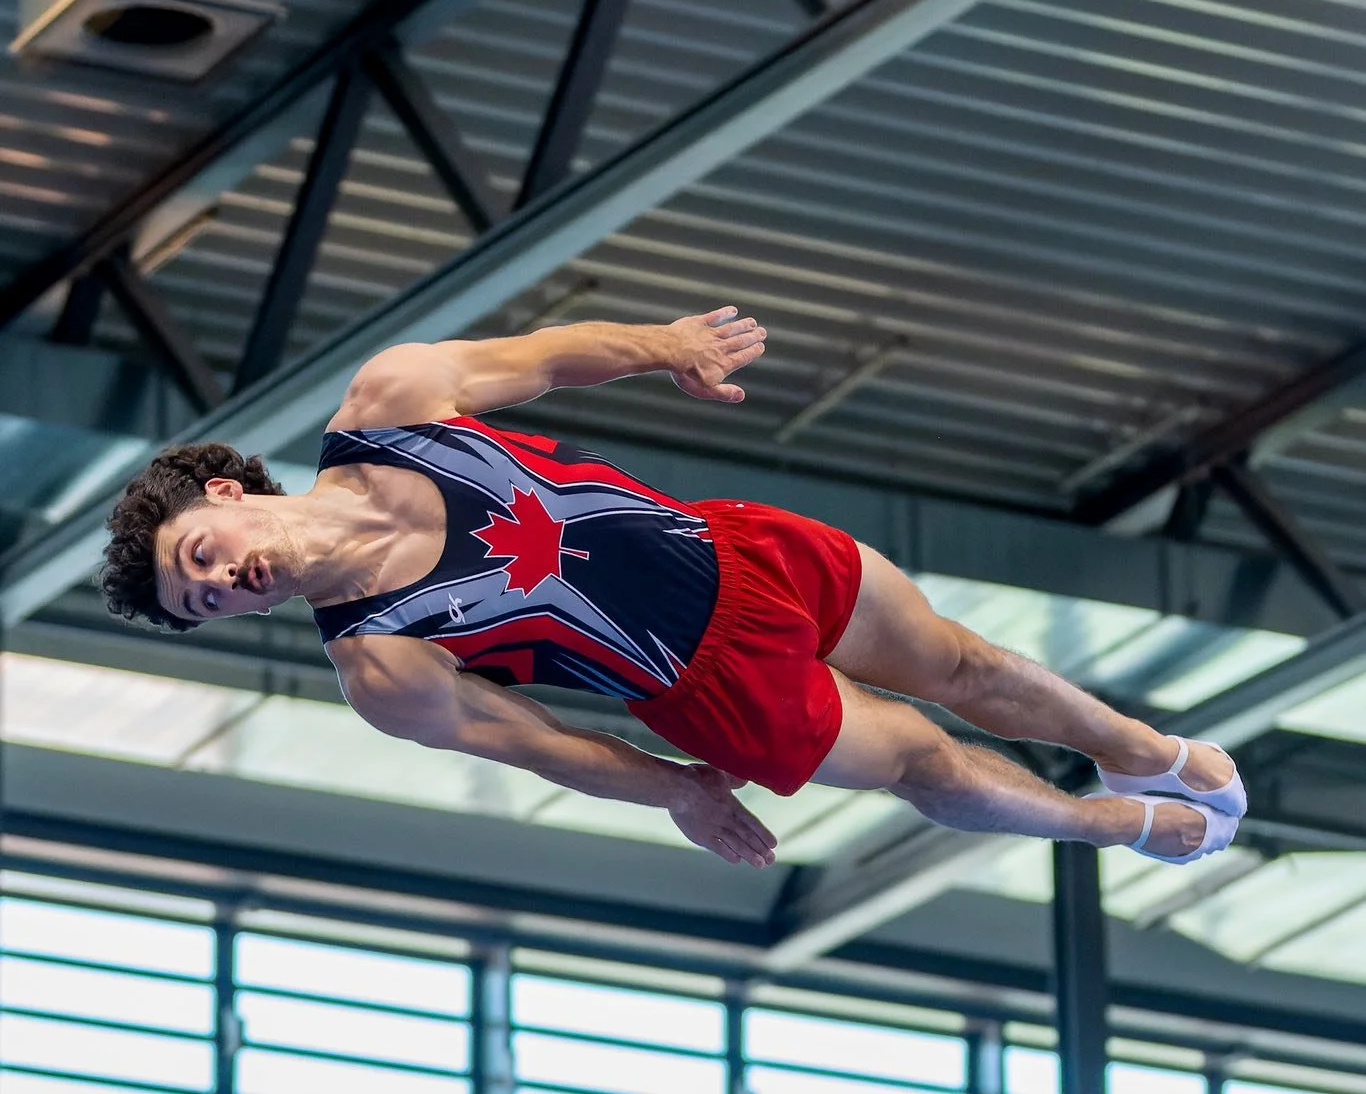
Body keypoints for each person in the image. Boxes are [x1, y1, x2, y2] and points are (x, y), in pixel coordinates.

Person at [100, 307, 1245, 871]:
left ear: (226, 490)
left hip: (739, 552)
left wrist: (665, 342)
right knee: (921, 759)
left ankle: (1138, 746)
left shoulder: (394, 403)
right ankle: (1091, 821)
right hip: (704, 685)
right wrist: (676, 794)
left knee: (963, 664)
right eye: (211, 603)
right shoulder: (380, 664)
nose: (227, 581)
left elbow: (546, 353)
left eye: (201, 554)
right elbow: (545, 746)